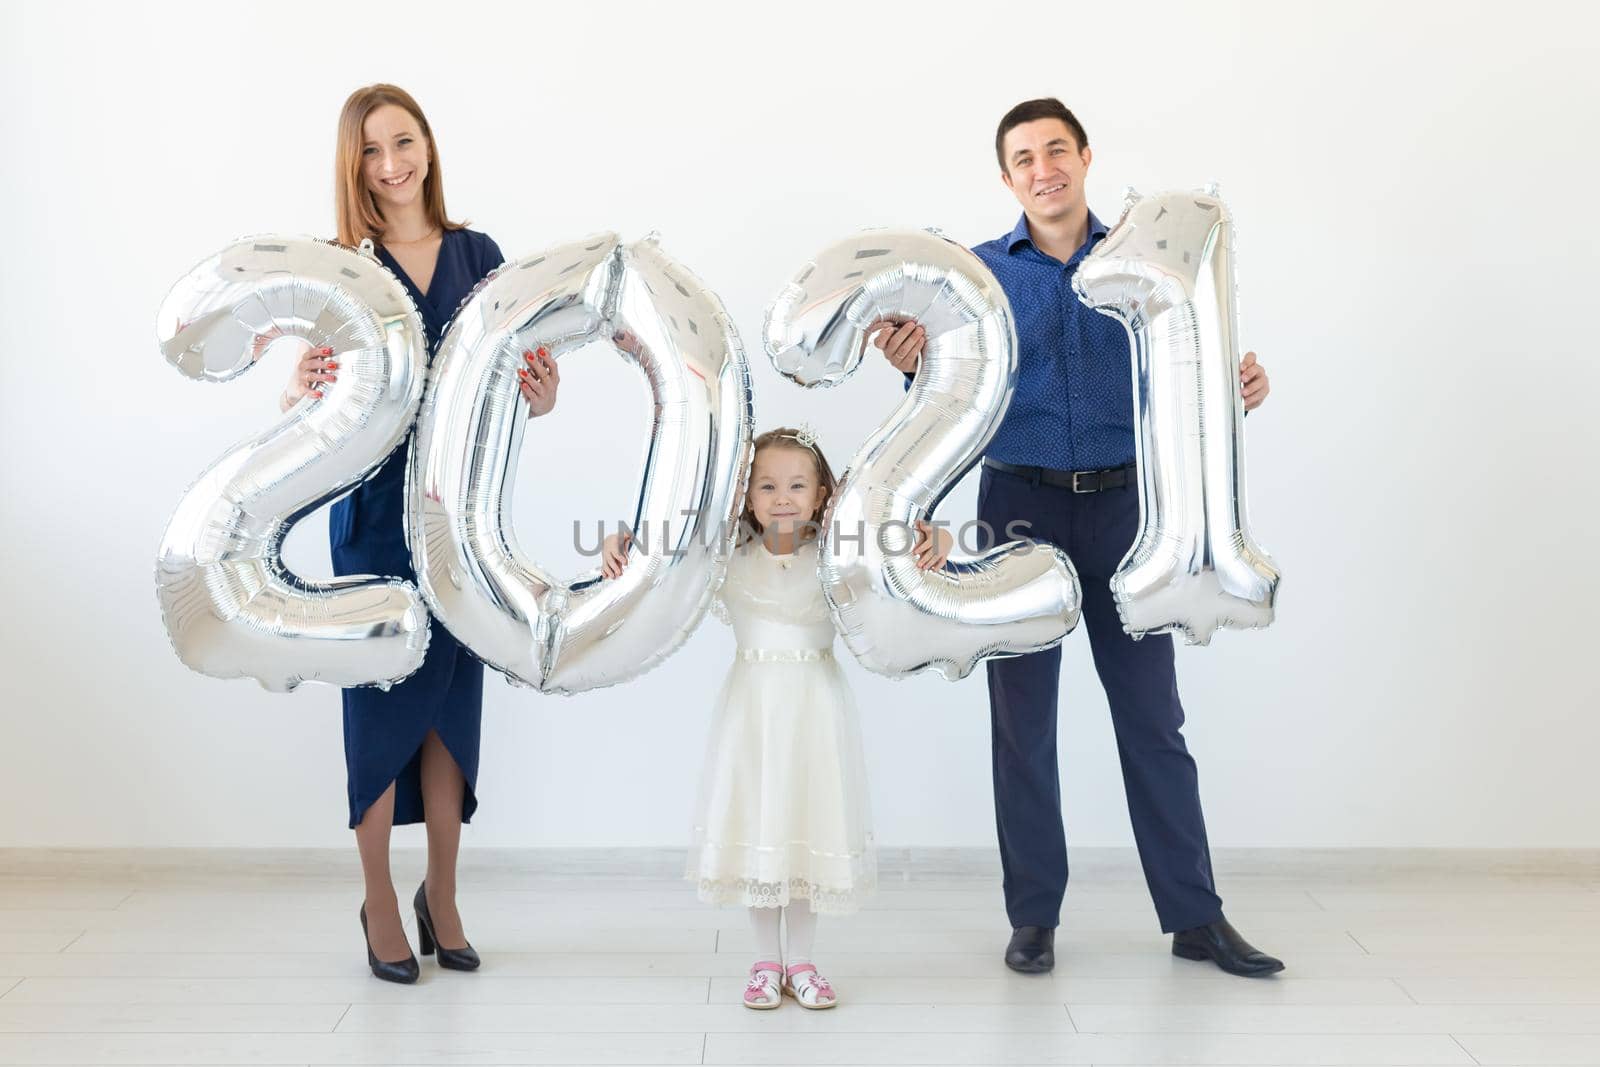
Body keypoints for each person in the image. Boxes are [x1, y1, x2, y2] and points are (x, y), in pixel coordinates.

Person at [871, 97, 1280, 978]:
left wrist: (1229, 382)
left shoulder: (1142, 262)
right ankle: (1034, 918)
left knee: (1153, 718)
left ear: (1085, 157)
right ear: (1007, 178)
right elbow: (944, 402)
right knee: (1023, 723)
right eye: (1023, 158)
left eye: (1056, 149)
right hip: (1017, 509)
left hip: (1131, 511)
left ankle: (1195, 918)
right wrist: (913, 361)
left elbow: (1189, 361)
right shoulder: (976, 277)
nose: (1042, 168)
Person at [280, 83, 560, 984]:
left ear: (429, 147)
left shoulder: (481, 254)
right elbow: (304, 393)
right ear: (351, 164)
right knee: (377, 710)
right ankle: (376, 898)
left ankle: (441, 895)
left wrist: (542, 391)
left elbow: (526, 386)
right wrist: (303, 384)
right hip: (369, 519)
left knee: (451, 710)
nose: (392, 163)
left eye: (404, 141)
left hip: (458, 515)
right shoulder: (341, 263)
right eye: (371, 150)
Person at [601, 428, 947, 1008]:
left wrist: (933, 531)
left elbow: (906, 551)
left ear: (820, 495)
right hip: (754, 712)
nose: (782, 497)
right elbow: (661, 548)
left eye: (795, 485)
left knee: (807, 828)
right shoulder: (728, 559)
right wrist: (620, 538)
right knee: (762, 827)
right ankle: (765, 963)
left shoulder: (838, 558)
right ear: (747, 496)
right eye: (767, 486)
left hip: (815, 709)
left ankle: (804, 963)